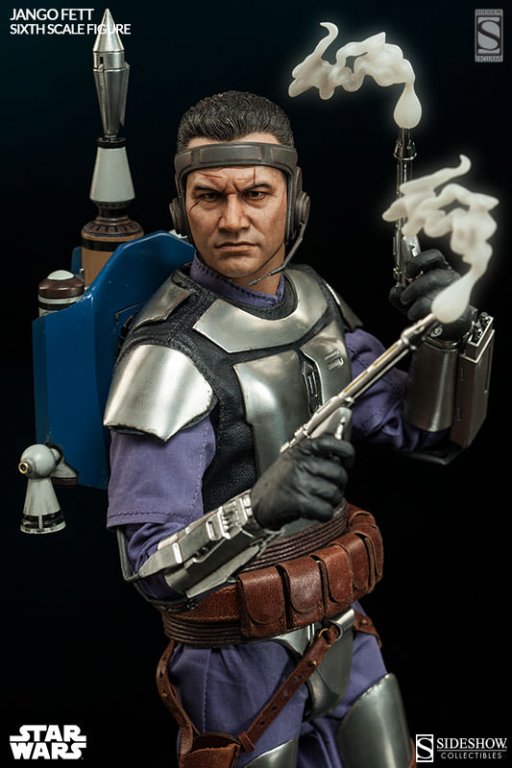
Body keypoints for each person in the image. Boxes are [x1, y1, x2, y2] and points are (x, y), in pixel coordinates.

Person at [104, 90, 484, 768]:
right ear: (181, 210)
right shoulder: (167, 355)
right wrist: (256, 510)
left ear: (295, 202)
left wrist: (450, 338)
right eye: (209, 197)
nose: (233, 220)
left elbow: (422, 432)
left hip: (340, 622)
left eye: (256, 194)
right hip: (236, 655)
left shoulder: (315, 300)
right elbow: (150, 567)